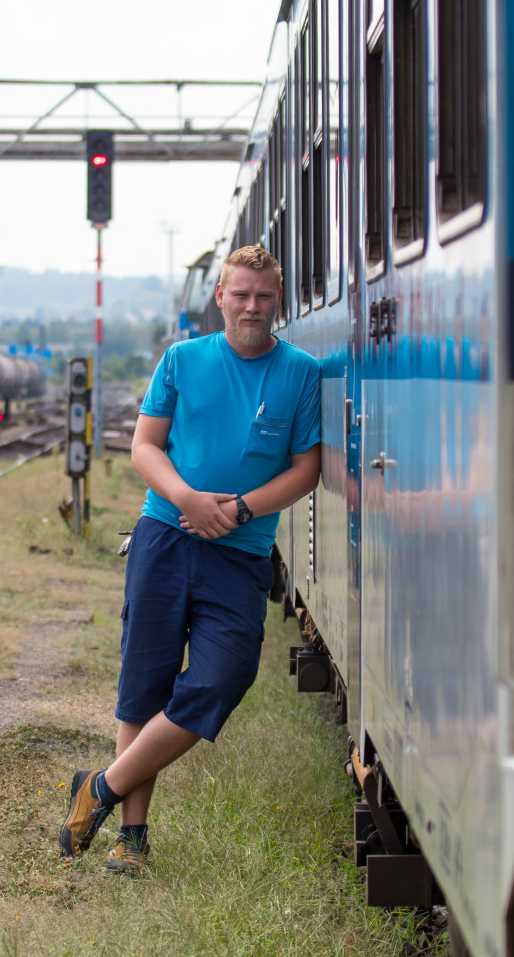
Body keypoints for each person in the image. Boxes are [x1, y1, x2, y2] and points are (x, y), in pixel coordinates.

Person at [59, 246, 321, 872]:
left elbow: (306, 468)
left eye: (263, 295)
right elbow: (145, 447)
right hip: (165, 537)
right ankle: (131, 837)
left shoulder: (301, 372)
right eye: (241, 295)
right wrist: (188, 500)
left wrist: (240, 510)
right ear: (221, 297)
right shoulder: (182, 359)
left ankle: (100, 788)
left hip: (241, 552)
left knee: (222, 678)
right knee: (145, 683)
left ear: (277, 298)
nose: (251, 306)